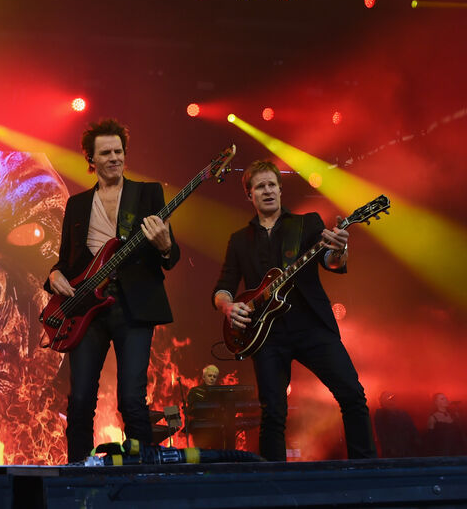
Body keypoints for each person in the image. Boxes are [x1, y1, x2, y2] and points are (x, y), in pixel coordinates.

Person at [212, 159, 376, 461]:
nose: (268, 191)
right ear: (250, 195)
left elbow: (331, 262)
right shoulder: (239, 240)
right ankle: (275, 488)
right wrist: (228, 307)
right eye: (260, 186)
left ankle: (365, 470)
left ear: (280, 189)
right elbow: (223, 286)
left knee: (352, 395)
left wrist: (340, 248)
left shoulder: (308, 223)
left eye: (272, 184)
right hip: (265, 336)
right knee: (272, 415)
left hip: (311, 325)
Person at [45, 119, 180, 463]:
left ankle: (145, 478)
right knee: (79, 401)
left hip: (132, 306)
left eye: (119, 151)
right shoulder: (76, 204)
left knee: (132, 399)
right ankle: (77, 475)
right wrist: (53, 276)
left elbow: (170, 256)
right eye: (106, 152)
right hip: (85, 309)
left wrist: (165, 245)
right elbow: (65, 262)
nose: (114, 158)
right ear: (91, 160)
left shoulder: (147, 194)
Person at [373, 391, 419, 457]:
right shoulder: (380, 414)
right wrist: (389, 448)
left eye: (391, 397)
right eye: (387, 397)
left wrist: (415, 441)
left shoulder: (403, 413)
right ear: (382, 400)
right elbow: (381, 433)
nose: (390, 399)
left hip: (406, 449)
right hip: (392, 451)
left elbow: (412, 428)